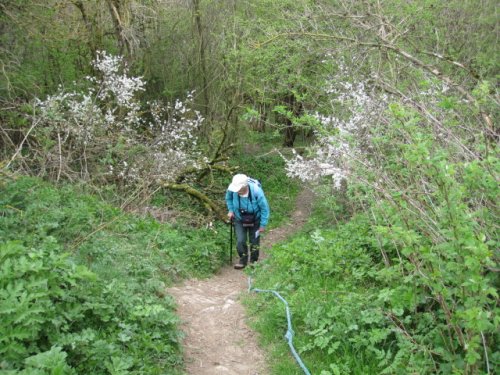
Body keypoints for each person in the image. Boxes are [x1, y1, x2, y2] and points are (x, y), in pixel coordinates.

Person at [225, 174, 270, 269]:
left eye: (239, 189)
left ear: (245, 186)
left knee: (254, 241)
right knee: (240, 240)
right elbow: (228, 198)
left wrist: (263, 224)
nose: (237, 191)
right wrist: (231, 210)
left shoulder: (256, 191)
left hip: (256, 219)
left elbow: (264, 209)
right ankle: (243, 260)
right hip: (239, 218)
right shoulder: (232, 190)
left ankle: (254, 261)